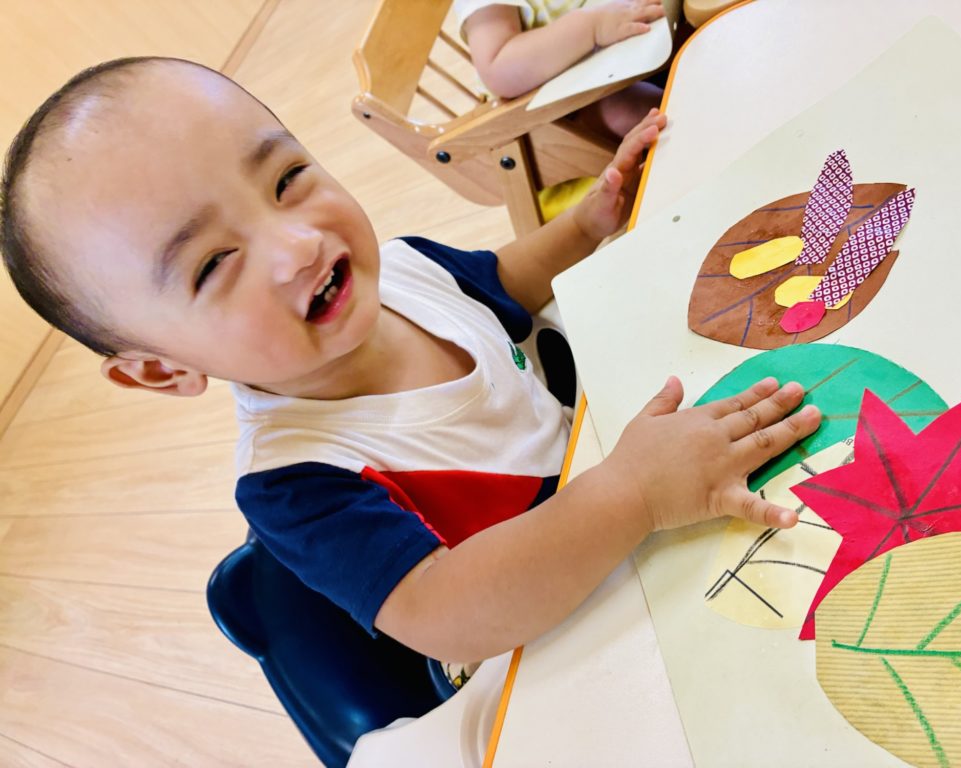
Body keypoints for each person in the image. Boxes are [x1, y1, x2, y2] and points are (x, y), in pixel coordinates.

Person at [0, 57, 820, 670]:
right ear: (160, 370)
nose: (297, 245)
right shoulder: (297, 483)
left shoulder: (403, 268)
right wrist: (633, 492)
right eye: (214, 264)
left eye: (286, 178)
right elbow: (447, 614)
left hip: (633, 482)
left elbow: (502, 282)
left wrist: (585, 226)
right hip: (567, 638)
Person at [456, 0, 667, 137]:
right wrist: (593, 25)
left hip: (621, 48)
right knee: (642, 110)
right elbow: (497, 69)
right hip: (558, 102)